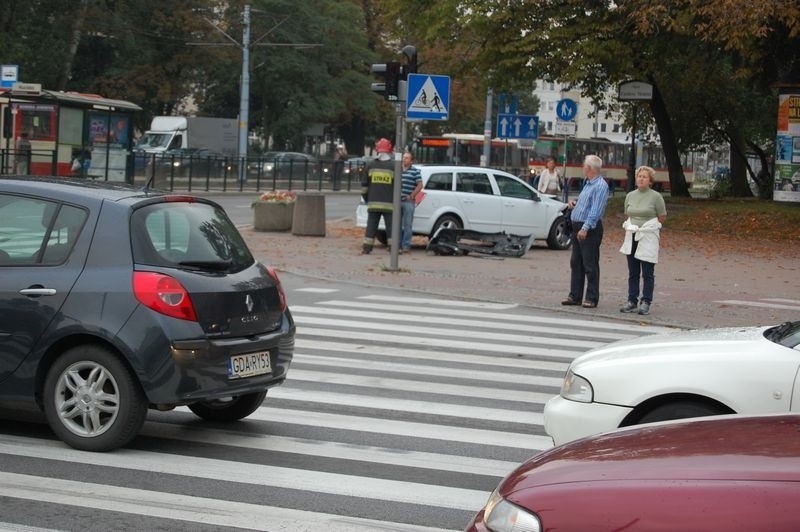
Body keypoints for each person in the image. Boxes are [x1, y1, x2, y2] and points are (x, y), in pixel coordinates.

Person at [562, 154, 609, 308]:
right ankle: (575, 295)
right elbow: (587, 205)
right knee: (576, 262)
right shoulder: (588, 183)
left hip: (588, 229)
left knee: (590, 264)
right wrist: (574, 204)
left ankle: (591, 297)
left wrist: (585, 227)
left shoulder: (600, 186)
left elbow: (596, 210)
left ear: (589, 168)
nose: (582, 168)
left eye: (584, 166)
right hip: (578, 227)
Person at [619, 166, 667, 316]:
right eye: (639, 176)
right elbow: (627, 212)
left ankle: (646, 301)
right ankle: (632, 300)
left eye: (644, 177)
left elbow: (661, 216)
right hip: (632, 234)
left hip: (647, 236)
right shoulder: (630, 195)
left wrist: (648, 226)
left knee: (647, 272)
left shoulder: (656, 197)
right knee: (633, 271)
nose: (641, 179)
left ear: (650, 181)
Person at [361, 138, 395, 254]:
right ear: (389, 150)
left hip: (373, 202)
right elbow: (398, 187)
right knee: (390, 227)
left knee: (371, 226)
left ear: (377, 150)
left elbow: (364, 186)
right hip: (389, 204)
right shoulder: (394, 166)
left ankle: (367, 248)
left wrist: (367, 199)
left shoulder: (370, 165)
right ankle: (392, 248)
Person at [399, 151, 423, 253]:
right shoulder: (398, 170)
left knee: (408, 224)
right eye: (404, 157)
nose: (404, 159)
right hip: (398, 201)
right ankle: (397, 244)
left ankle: (406, 245)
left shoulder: (415, 171)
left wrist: (412, 195)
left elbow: (420, 185)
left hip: (408, 201)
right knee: (397, 224)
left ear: (411, 160)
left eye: (407, 158)